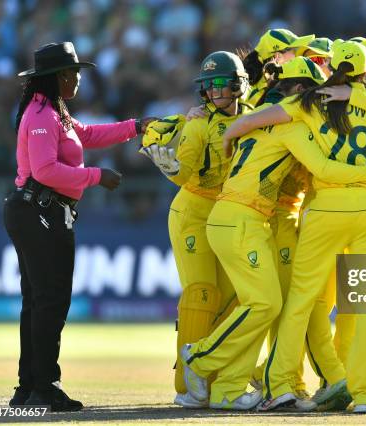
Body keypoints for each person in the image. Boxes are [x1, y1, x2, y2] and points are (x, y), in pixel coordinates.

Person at [222, 40, 366, 413]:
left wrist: (230, 132)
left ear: (332, 64)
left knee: (301, 301)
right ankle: (365, 395)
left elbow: (260, 119)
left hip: (327, 208)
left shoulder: (310, 101)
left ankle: (282, 383)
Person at [180, 56, 366, 411]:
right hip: (240, 221)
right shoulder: (291, 126)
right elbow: (322, 167)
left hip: (241, 219)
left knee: (260, 305)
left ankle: (228, 390)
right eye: (309, 92)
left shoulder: (261, 116)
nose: (316, 102)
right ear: (296, 90)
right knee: (265, 304)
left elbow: (236, 124)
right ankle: (200, 358)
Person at [5, 42, 155, 411]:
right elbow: (44, 171)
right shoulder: (42, 115)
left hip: (36, 212)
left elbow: (88, 135)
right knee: (50, 303)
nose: (77, 79)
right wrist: (96, 176)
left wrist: (135, 127)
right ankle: (44, 386)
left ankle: (28, 388)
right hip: (40, 212)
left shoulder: (53, 110)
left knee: (37, 303)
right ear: (56, 77)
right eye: (72, 73)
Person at [143, 51, 252, 408]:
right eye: (211, 85)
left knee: (236, 298)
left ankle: (221, 380)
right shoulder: (198, 124)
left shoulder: (254, 118)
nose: (217, 91)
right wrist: (169, 166)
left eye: (225, 83)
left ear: (240, 85)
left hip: (231, 213)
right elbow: (184, 173)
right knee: (201, 294)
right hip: (193, 210)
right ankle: (186, 385)